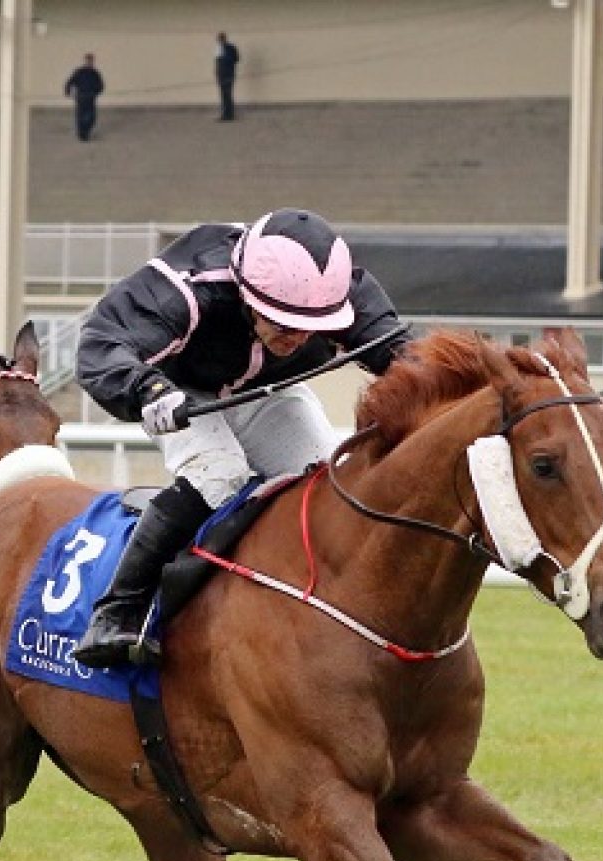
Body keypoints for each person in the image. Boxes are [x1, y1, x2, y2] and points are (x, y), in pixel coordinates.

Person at [72, 208, 413, 667]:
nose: (300, 337)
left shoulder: (333, 286)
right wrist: (148, 390)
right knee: (220, 475)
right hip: (183, 393)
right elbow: (100, 344)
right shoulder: (189, 285)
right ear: (247, 297)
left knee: (324, 483)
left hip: (266, 393)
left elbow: (407, 358)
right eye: (285, 324)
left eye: (313, 325)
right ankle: (119, 610)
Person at [64, 53, 104, 143]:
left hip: (91, 98)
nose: (89, 62)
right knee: (80, 116)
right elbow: (70, 81)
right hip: (81, 97)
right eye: (88, 60)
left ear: (93, 62)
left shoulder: (95, 73)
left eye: (91, 61)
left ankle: (86, 131)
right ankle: (82, 135)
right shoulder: (79, 72)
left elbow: (101, 85)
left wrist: (95, 93)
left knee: (92, 117)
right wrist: (67, 91)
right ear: (85, 61)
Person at [215, 32, 240, 121]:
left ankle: (228, 114)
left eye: (220, 39)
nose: (219, 41)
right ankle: (226, 113)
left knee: (227, 94)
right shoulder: (219, 49)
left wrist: (226, 61)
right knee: (224, 94)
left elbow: (236, 59)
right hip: (221, 74)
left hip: (228, 74)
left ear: (224, 39)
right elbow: (218, 62)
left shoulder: (229, 48)